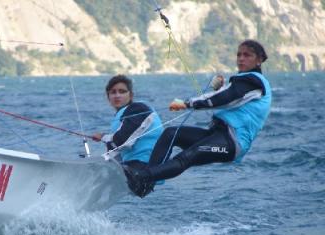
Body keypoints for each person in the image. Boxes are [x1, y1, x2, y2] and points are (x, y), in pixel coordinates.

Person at [125, 39, 272, 198]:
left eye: (247, 55)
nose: (241, 58)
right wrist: (218, 89)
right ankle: (146, 183)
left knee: (187, 157)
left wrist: (186, 104)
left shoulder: (254, 81)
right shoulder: (244, 81)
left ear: (259, 60)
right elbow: (227, 95)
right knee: (171, 133)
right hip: (217, 134)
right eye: (239, 55)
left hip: (232, 142)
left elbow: (226, 98)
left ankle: (142, 177)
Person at [92, 75, 163, 194]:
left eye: (122, 91)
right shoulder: (122, 116)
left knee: (100, 177)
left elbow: (122, 142)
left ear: (131, 95)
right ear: (108, 97)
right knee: (98, 177)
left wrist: (103, 137)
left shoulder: (138, 108)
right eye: (113, 92)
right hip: (134, 170)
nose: (117, 95)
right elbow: (116, 150)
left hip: (143, 170)